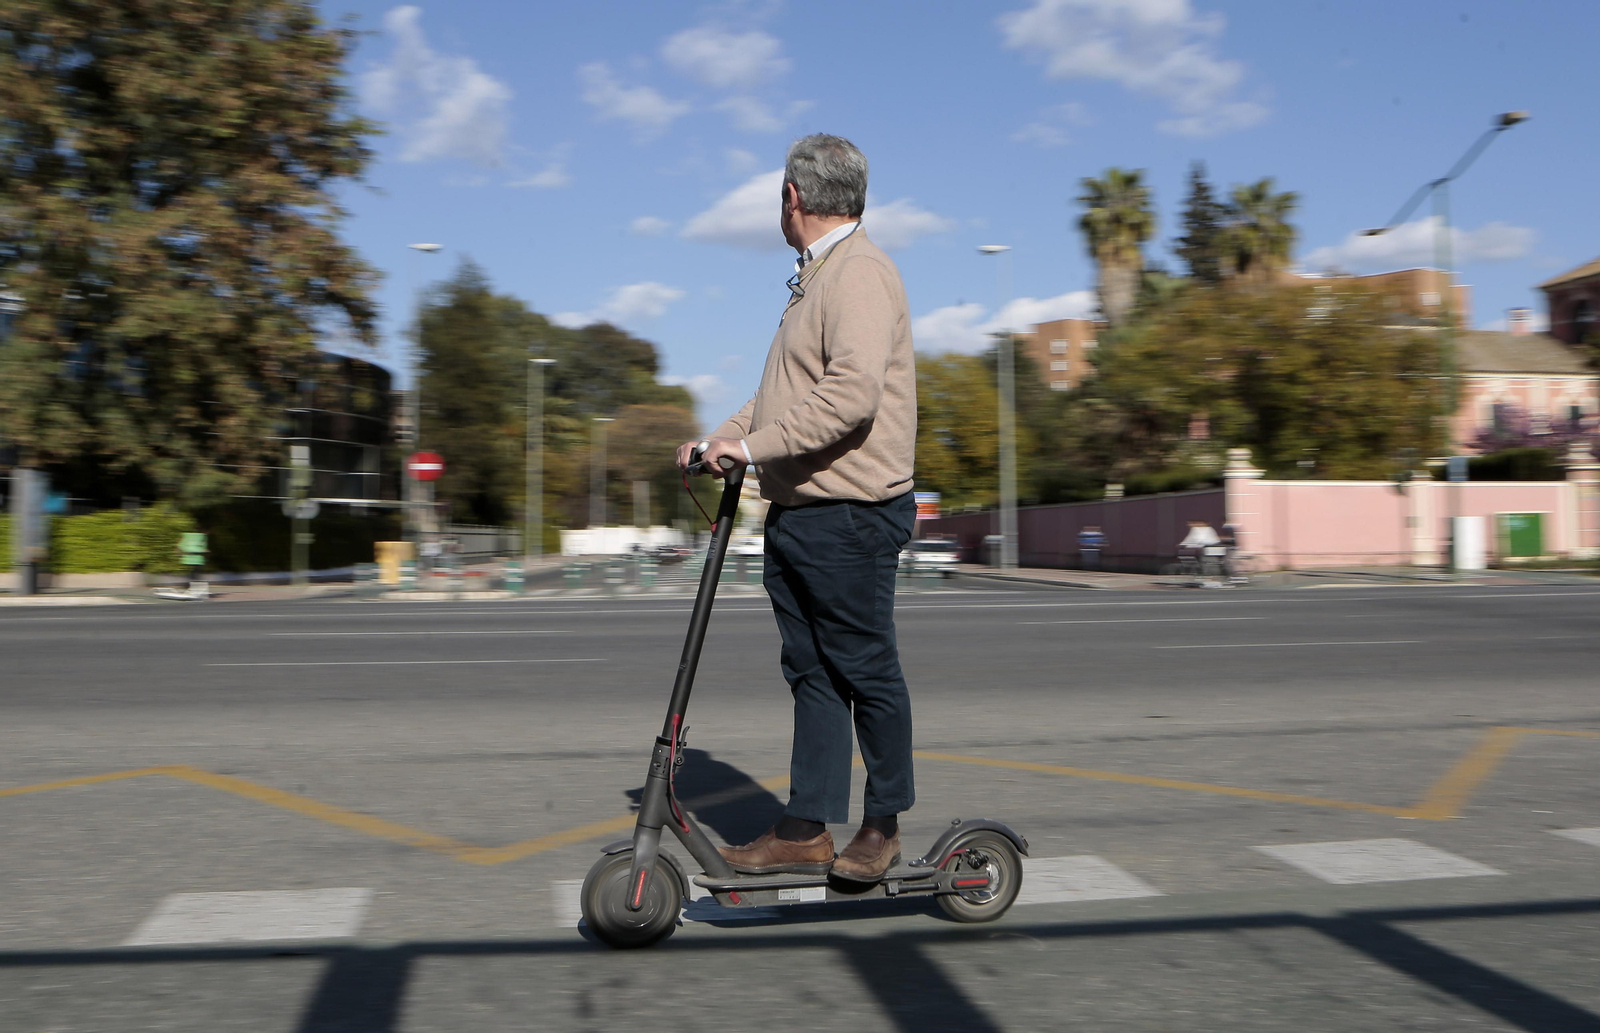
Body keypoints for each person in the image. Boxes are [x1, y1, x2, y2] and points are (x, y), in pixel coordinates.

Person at [676, 134, 916, 883]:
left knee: (864, 665)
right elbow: (781, 393)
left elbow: (850, 396)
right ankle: (807, 825)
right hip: (804, 508)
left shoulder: (860, 274)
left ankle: (882, 824)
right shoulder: (817, 277)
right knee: (810, 669)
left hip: (849, 510)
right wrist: (722, 438)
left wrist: (752, 452)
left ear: (793, 198)